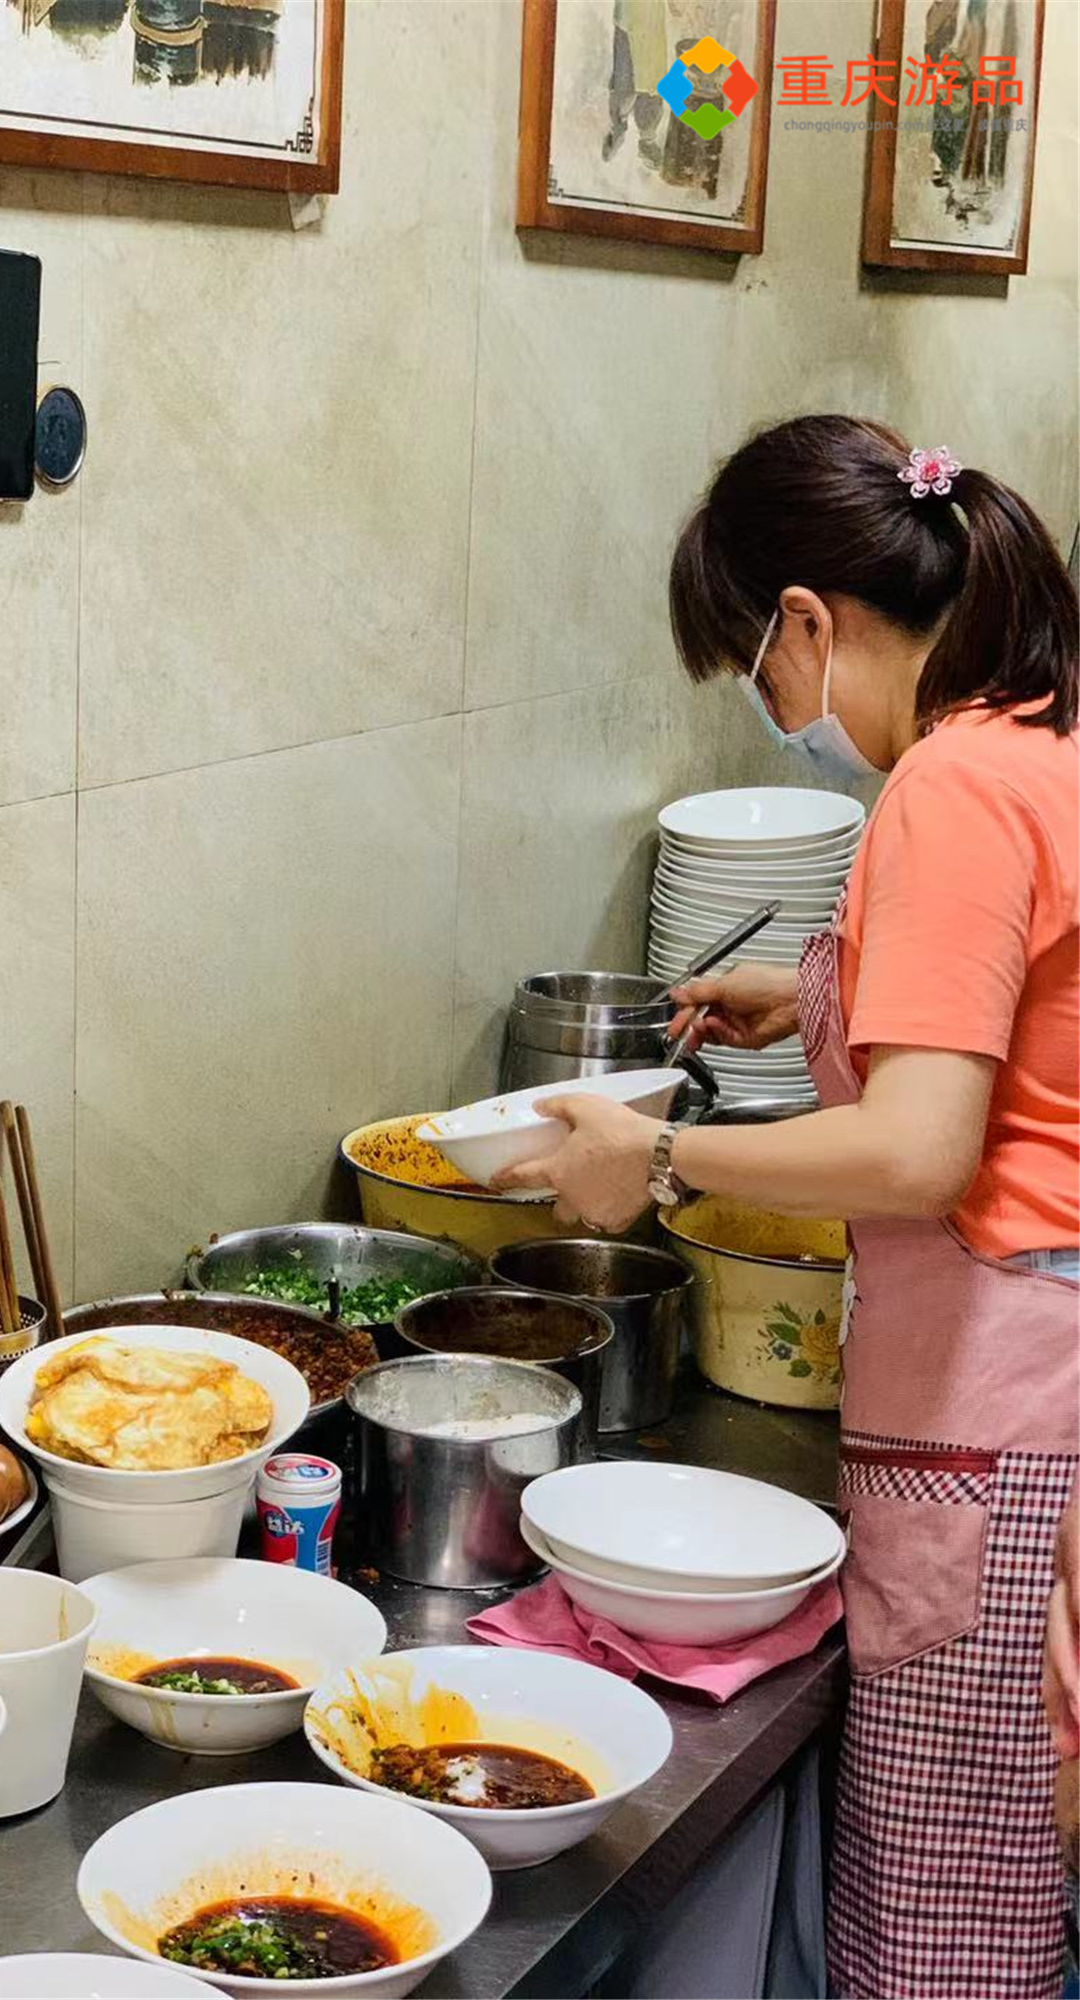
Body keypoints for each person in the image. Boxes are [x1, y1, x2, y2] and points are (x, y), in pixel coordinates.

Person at [497, 416, 1080, 1998]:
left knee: (952, 1946)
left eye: (754, 671)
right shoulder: (1036, 731)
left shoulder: (951, 786)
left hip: (998, 1434)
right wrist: (810, 994)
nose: (772, 712)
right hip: (1032, 1412)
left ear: (809, 623)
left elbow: (918, 1153)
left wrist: (657, 1158)